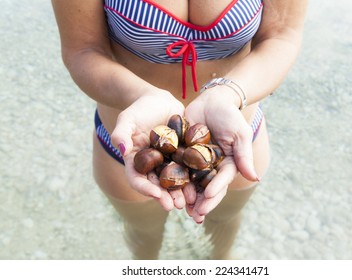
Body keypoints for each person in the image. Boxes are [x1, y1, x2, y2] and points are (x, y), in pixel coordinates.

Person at [51, 0, 307, 259]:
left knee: (222, 229)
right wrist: (143, 95)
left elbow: (282, 35)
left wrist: (228, 94)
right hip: (131, 142)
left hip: (233, 140)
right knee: (145, 238)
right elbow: (82, 50)